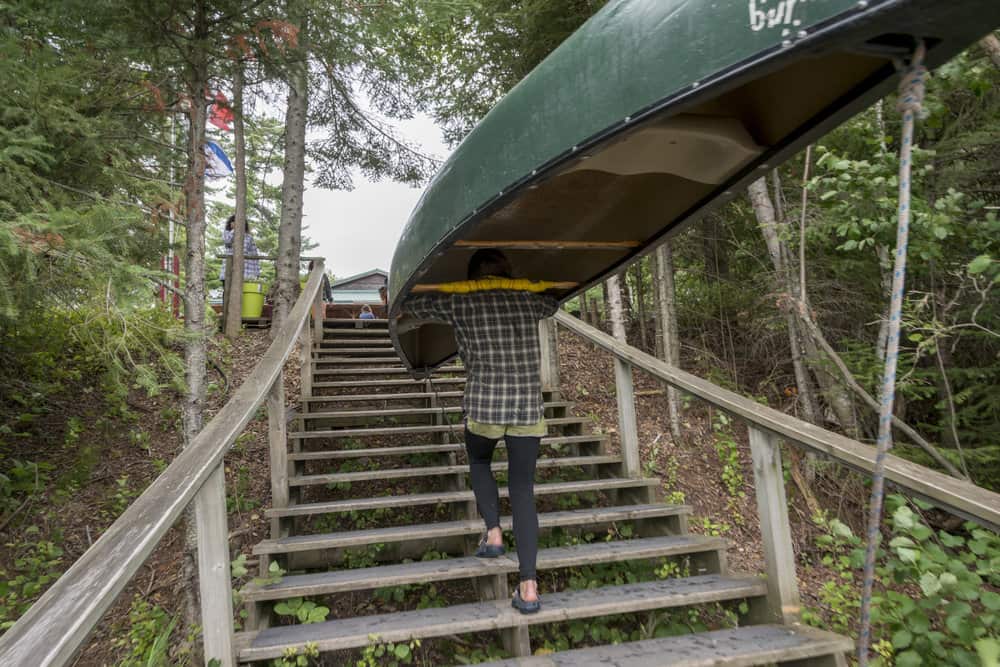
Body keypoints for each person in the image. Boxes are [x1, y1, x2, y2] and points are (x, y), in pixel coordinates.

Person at [402, 249, 559, 614]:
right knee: (522, 490)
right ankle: (530, 588)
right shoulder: (528, 300)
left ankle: (493, 534)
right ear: (507, 272)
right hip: (526, 409)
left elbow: (417, 307)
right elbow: (553, 303)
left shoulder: (460, 303)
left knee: (478, 460)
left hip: (485, 407)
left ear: (471, 276)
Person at [219, 214, 261, 287]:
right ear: (230, 224)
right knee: (227, 294)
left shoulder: (249, 237)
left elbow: (255, 256)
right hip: (229, 272)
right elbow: (227, 241)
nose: (237, 224)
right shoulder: (227, 233)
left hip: (246, 274)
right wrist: (235, 230)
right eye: (234, 222)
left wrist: (257, 274)